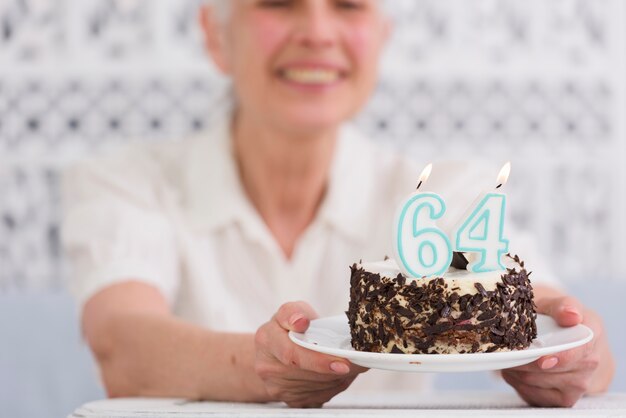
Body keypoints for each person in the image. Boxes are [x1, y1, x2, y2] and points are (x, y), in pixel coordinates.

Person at [61, 0, 614, 409]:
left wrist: (564, 360)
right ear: (215, 35)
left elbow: (584, 349)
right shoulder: (126, 181)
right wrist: (268, 365)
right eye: (279, 3)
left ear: (379, 38)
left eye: (348, 6)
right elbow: (123, 345)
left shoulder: (446, 192)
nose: (318, 32)